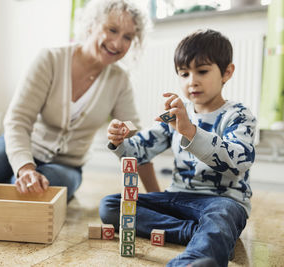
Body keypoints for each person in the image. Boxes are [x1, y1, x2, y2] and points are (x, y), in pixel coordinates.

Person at [0, 0, 148, 200]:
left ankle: (10, 185)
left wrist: (158, 197)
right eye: (112, 30)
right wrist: (25, 167)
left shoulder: (120, 80)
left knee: (25, 194)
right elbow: (18, 120)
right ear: (92, 25)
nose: (118, 43)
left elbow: (135, 142)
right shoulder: (51, 59)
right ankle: (9, 178)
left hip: (65, 167)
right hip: (19, 146)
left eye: (128, 37)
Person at [100, 29, 256, 267]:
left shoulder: (239, 115)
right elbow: (138, 153)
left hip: (221, 200)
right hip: (176, 197)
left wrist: (190, 131)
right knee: (112, 206)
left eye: (202, 71)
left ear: (227, 72)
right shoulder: (175, 112)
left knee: (222, 216)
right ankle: (195, 234)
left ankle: (193, 260)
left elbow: (237, 163)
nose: (191, 81)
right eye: (184, 74)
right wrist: (119, 141)